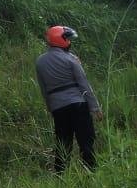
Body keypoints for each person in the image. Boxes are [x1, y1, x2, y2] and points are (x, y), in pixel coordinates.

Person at [35, 25, 103, 172]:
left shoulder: (40, 62)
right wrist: (95, 107)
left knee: (63, 143)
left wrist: (50, 107)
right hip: (78, 104)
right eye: (67, 39)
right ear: (62, 40)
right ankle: (91, 172)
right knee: (86, 142)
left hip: (58, 107)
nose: (70, 42)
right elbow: (84, 84)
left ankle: (60, 175)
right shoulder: (71, 60)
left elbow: (43, 89)